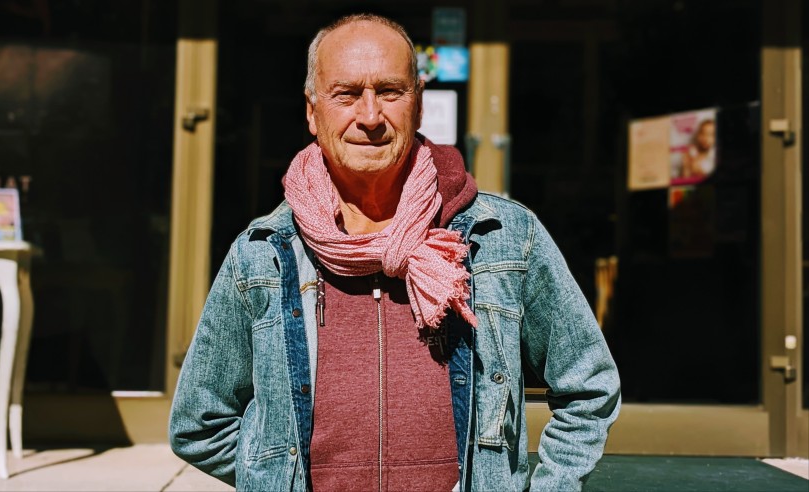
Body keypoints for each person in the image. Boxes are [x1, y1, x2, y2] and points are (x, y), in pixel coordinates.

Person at [169, 13, 621, 492]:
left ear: (418, 105)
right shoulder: (264, 253)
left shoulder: (502, 236)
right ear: (312, 111)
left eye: (390, 92)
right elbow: (200, 423)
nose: (370, 117)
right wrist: (280, 475)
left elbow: (589, 387)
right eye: (346, 94)